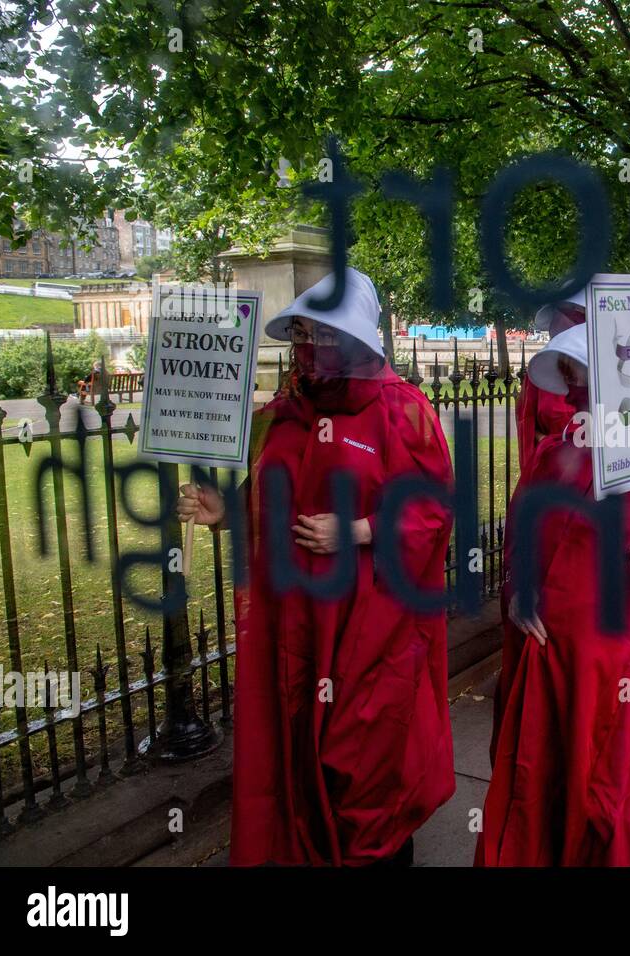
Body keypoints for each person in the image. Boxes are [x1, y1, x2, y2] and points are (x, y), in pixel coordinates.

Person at [177, 269, 455, 866]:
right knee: (299, 746)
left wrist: (359, 531)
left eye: (323, 334)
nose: (309, 348)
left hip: (371, 625)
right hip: (294, 621)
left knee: (365, 759)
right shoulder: (283, 413)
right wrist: (225, 511)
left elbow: (432, 511)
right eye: (302, 333)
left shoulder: (404, 412)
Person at [479, 324, 630, 866]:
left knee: (601, 790)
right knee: (537, 780)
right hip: (543, 657)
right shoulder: (552, 452)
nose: (566, 377)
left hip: (615, 667)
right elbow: (520, 535)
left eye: (576, 365)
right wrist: (518, 592)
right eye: (562, 366)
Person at [515, 289, 586, 474]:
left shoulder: (611, 367)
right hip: (552, 470)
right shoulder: (540, 371)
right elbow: (529, 427)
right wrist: (552, 448)